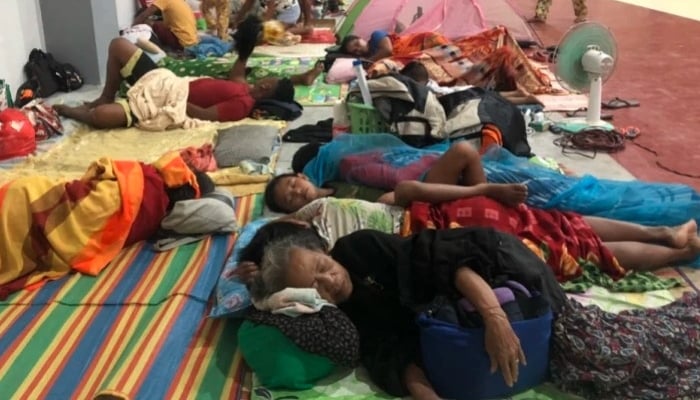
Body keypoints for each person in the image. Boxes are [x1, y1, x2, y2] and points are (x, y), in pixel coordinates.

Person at [248, 227, 567, 398]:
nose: (329, 281)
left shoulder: (360, 247)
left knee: (562, 326)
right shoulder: (340, 318)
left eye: (323, 267)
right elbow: (390, 353)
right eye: (314, 287)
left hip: (486, 262)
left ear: (323, 250)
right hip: (461, 305)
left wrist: (495, 319)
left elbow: (447, 264)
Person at [0, 151, 214, 298]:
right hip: (38, 199)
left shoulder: (145, 183)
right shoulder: (155, 211)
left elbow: (101, 169)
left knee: (23, 200)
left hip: (28, 193)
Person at [54, 23, 321, 129]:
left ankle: (68, 110)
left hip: (166, 99)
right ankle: (105, 95)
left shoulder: (242, 105)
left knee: (100, 119)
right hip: (167, 81)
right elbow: (240, 67)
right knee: (118, 45)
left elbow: (204, 116)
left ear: (268, 91)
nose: (263, 81)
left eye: (268, 84)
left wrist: (173, 102)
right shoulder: (244, 87)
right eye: (268, 80)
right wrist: (247, 43)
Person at [264, 139, 528, 213]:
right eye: (291, 200)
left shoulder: (334, 179)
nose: (296, 192)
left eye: (292, 185)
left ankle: (484, 201)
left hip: (418, 186)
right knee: (405, 191)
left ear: (301, 176)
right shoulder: (323, 210)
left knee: (463, 149)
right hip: (405, 202)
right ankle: (485, 193)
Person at [339, 30, 449, 62]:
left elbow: (388, 50)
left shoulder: (375, 35)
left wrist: (368, 61)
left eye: (357, 44)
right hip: (414, 55)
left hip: (422, 40)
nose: (359, 49)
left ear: (361, 38)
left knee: (448, 51)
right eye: (355, 51)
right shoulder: (369, 55)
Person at [133, 0, 199, 51]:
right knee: (159, 24)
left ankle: (151, 45)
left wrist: (132, 27)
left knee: (151, 23)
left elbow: (144, 15)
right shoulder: (181, 1)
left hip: (182, 43)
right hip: (192, 40)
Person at [234, 0, 313, 35]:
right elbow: (247, 5)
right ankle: (290, 26)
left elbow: (270, 11)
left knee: (271, 34)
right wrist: (237, 21)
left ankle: (305, 29)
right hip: (276, 12)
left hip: (289, 11)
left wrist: (264, 29)